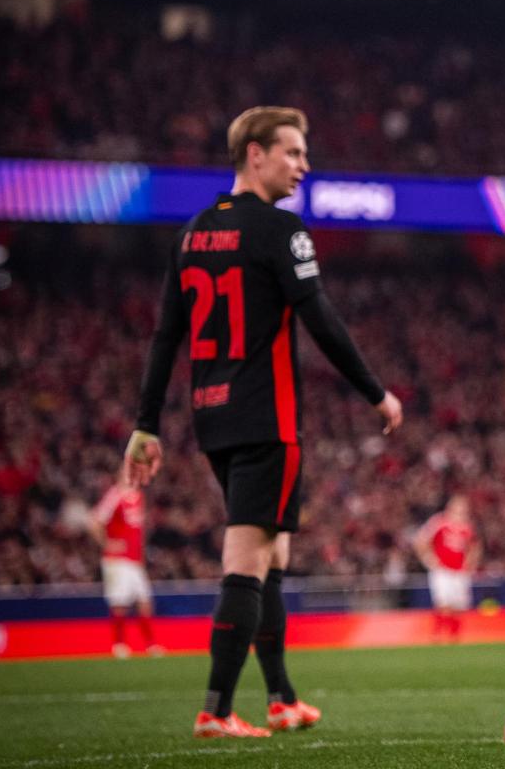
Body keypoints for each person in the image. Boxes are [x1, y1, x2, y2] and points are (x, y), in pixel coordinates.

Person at [127, 106, 404, 738]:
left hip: (212, 418)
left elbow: (166, 335)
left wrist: (146, 424)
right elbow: (322, 318)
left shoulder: (193, 233)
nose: (304, 165)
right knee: (248, 561)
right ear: (255, 154)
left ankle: (281, 697)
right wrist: (376, 393)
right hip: (267, 419)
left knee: (273, 554)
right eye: (293, 153)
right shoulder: (281, 230)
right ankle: (217, 709)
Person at [90, 462, 163, 658]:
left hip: (134, 560)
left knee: (144, 601)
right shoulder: (115, 495)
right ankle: (119, 645)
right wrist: (107, 544)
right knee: (120, 602)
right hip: (117, 560)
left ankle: (150, 644)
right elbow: (94, 520)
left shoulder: (138, 497)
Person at [415, 494, 482, 642]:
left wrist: (471, 563)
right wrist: (429, 559)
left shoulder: (468, 527)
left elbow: (475, 547)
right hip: (442, 570)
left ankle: (454, 636)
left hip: (460, 571)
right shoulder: (439, 522)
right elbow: (421, 540)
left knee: (458, 605)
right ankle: (438, 634)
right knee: (443, 602)